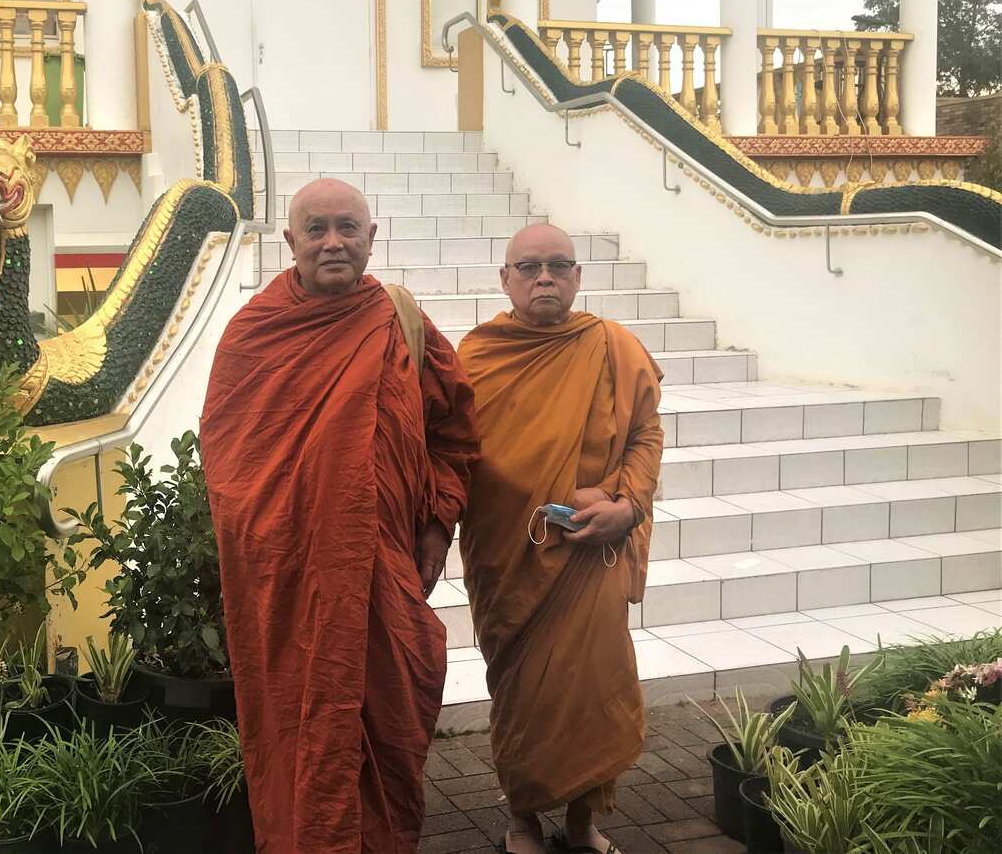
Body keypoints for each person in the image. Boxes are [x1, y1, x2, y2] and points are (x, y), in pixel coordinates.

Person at [199, 178, 479, 853]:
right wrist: (285, 539)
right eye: (316, 228)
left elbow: (456, 432)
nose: (332, 241)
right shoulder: (253, 336)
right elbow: (229, 465)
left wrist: (439, 525)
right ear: (290, 241)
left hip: (383, 573)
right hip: (289, 585)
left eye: (347, 227)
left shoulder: (401, 321)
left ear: (371, 238)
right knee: (300, 731)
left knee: (387, 727)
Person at [457, 223, 663, 854]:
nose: (543, 277)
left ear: (577, 277)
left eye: (557, 266)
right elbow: (457, 451)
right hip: (509, 556)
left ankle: (582, 822)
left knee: (592, 688)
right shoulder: (476, 357)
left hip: (589, 556)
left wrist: (627, 507)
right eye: (528, 267)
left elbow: (645, 437)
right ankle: (522, 819)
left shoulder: (612, 347)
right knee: (521, 693)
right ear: (505, 280)